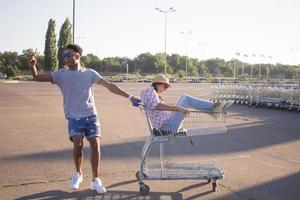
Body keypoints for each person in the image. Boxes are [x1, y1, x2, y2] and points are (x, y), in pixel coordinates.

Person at [27, 44, 139, 194]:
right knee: (78, 143)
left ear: (77, 56)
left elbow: (110, 86)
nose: (65, 58)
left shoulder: (90, 73)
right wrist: (32, 66)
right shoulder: (61, 75)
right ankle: (78, 174)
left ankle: (96, 180)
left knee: (95, 144)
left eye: (68, 54)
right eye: (64, 55)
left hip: (90, 115)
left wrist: (130, 97)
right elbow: (37, 77)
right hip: (74, 116)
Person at [140, 74, 231, 133]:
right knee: (186, 98)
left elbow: (159, 106)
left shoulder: (152, 92)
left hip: (167, 124)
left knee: (184, 98)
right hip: (168, 127)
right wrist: (178, 108)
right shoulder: (151, 91)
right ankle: (212, 107)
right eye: (165, 86)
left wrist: (176, 106)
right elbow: (158, 106)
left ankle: (211, 109)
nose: (166, 89)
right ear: (158, 84)